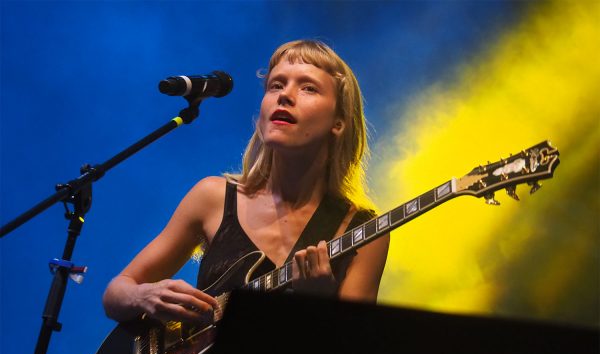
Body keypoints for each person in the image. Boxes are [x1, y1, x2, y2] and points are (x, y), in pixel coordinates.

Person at [102, 39, 390, 325]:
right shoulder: (212, 196)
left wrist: (320, 305)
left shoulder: (363, 231)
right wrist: (145, 296)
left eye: (308, 88)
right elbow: (116, 293)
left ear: (338, 122)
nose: (285, 96)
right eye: (276, 85)